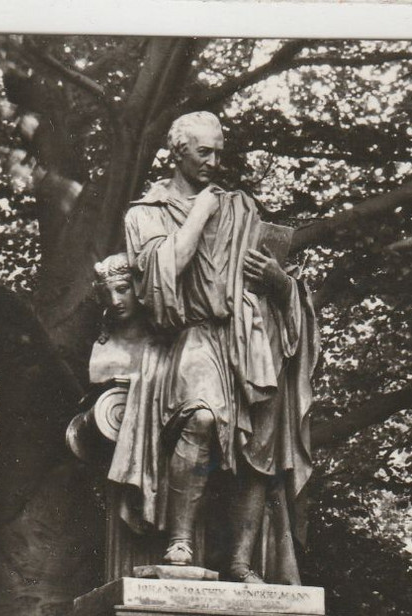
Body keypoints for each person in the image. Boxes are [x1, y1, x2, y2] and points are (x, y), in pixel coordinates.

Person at [110, 110, 319, 584]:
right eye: (204, 151)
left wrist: (279, 282)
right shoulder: (145, 214)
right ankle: (180, 540)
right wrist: (201, 211)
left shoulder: (242, 209)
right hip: (190, 336)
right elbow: (159, 282)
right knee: (201, 415)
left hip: (249, 338)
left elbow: (274, 281)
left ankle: (242, 563)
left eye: (219, 152)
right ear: (177, 151)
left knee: (260, 444)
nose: (213, 161)